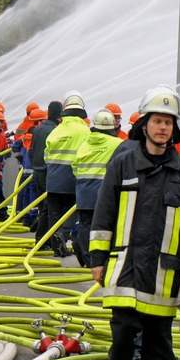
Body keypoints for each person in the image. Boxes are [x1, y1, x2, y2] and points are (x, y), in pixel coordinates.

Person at [91, 85, 180, 360]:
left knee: (159, 342)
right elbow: (104, 213)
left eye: (168, 123)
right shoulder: (123, 165)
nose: (163, 128)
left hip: (163, 274)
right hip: (125, 267)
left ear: (175, 130)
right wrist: (97, 260)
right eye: (158, 121)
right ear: (144, 124)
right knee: (125, 332)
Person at [72, 109, 124, 265]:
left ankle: (88, 259)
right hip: (105, 194)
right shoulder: (118, 144)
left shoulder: (85, 143)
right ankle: (102, 261)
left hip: (84, 192)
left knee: (85, 225)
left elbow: (74, 167)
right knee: (106, 226)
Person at [42, 93, 90, 255]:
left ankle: (58, 249)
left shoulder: (56, 131)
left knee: (54, 214)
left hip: (53, 179)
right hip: (72, 179)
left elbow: (46, 156)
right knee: (72, 210)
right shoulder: (85, 131)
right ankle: (63, 233)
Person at [29, 101, 62, 237]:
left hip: (37, 171)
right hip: (48, 172)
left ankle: (42, 234)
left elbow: (31, 151)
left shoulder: (38, 129)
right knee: (49, 207)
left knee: (43, 206)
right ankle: (43, 238)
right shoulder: (55, 130)